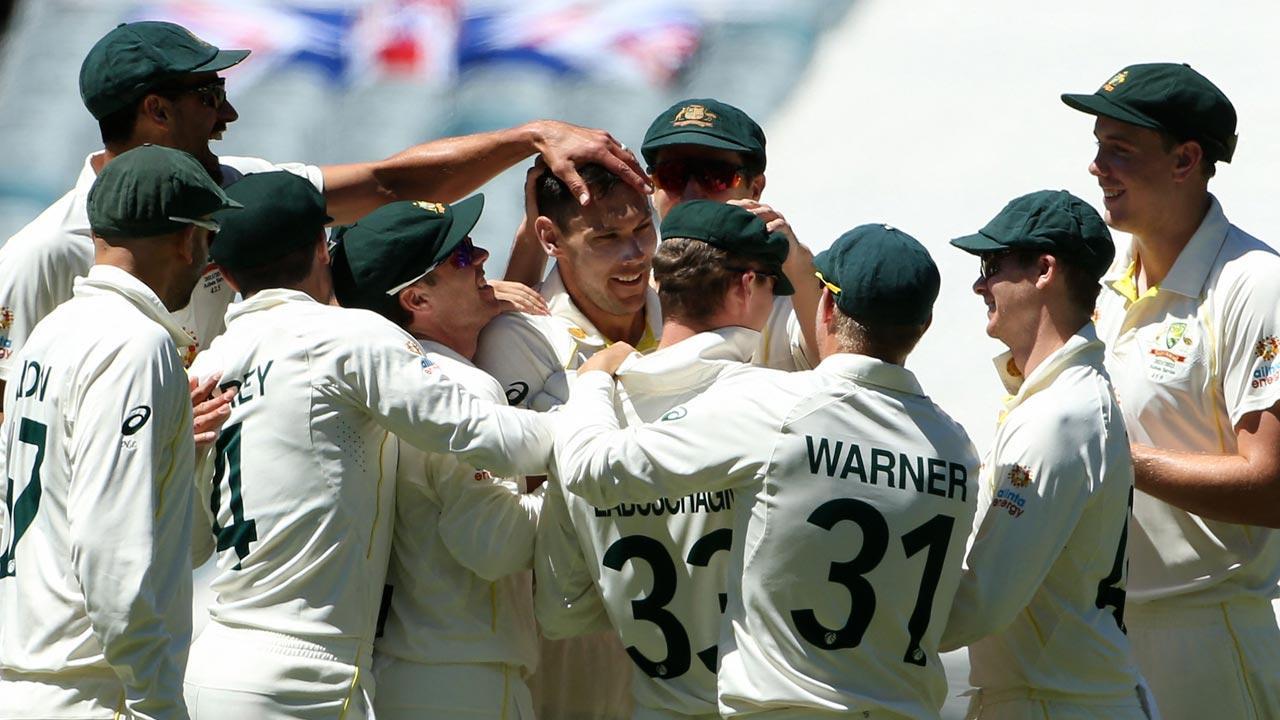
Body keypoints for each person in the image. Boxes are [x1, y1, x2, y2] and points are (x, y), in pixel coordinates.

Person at [0, 19, 647, 403]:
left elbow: (392, 184)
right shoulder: (47, 251)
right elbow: (19, 423)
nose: (228, 113)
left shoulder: (248, 186)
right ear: (156, 112)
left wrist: (527, 137)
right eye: (210, 93)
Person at [554, 224, 980, 718]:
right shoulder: (955, 447)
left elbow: (591, 467)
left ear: (826, 308)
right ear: (923, 325)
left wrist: (592, 382)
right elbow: (967, 608)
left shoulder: (774, 404)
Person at [182, 172, 553, 719]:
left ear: (225, 273)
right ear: (318, 248)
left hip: (215, 659)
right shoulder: (345, 336)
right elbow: (486, 437)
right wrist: (603, 415)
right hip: (305, 673)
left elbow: (190, 545)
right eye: (458, 256)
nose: (477, 260)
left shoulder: (209, 364)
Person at [1062, 63, 1280, 718]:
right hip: (1104, 630)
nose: (1097, 167)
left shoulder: (1254, 285)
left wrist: (1121, 459)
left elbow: (1271, 485)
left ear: (1187, 159)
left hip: (1208, 634)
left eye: (1119, 150)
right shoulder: (1104, 284)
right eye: (1098, 147)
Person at [0, 145, 240, 719]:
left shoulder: (51, 330)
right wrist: (156, 699)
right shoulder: (137, 344)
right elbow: (112, 554)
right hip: (93, 688)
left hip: (27, 676)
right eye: (208, 237)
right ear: (188, 241)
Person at [535, 200, 791, 720]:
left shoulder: (588, 418)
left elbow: (562, 611)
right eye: (771, 282)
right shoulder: (787, 407)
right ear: (746, 287)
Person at [941, 190, 1154, 718]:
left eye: (991, 265)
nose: (978, 284)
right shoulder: (1060, 399)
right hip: (1057, 695)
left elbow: (980, 602)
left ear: (1044, 270)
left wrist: (864, 636)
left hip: (1054, 703)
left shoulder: (1058, 414)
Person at [330, 196, 542, 719]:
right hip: (463, 674)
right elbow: (493, 545)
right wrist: (579, 465)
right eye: (462, 256)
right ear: (418, 299)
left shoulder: (366, 386)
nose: (482, 257)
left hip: (397, 669)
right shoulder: (459, 387)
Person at [504, 97, 818, 368]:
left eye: (716, 176)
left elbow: (840, 374)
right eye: (674, 175)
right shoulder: (631, 283)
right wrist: (530, 237)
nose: (693, 192)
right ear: (652, 187)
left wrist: (797, 264)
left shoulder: (786, 296)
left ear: (756, 187)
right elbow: (515, 333)